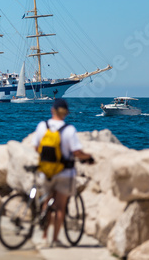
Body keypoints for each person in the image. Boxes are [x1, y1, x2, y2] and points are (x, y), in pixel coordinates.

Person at [32, 98, 94, 247]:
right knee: (60, 208)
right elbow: (77, 152)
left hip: (46, 172)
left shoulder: (42, 126)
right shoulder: (69, 130)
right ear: (66, 113)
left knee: (46, 205)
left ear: (52, 110)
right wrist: (89, 157)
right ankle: (55, 240)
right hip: (65, 174)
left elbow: (36, 147)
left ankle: (44, 237)